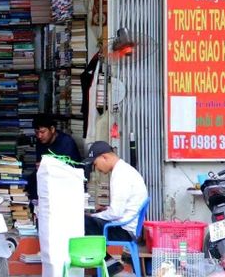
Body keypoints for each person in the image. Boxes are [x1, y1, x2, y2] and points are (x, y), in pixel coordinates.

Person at [83, 141, 148, 274]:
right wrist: (104, 211)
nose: (97, 168)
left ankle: (111, 267)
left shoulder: (120, 175)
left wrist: (94, 215)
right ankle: (109, 266)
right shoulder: (124, 170)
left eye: (95, 164)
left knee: (81, 222)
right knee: (88, 223)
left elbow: (115, 213)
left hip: (123, 230)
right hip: (128, 227)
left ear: (104, 157)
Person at [25, 115, 82, 203]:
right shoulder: (40, 143)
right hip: (46, 179)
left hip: (64, 181)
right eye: (36, 132)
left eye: (42, 132)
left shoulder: (66, 142)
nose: (39, 136)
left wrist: (48, 166)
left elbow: (72, 169)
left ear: (52, 129)